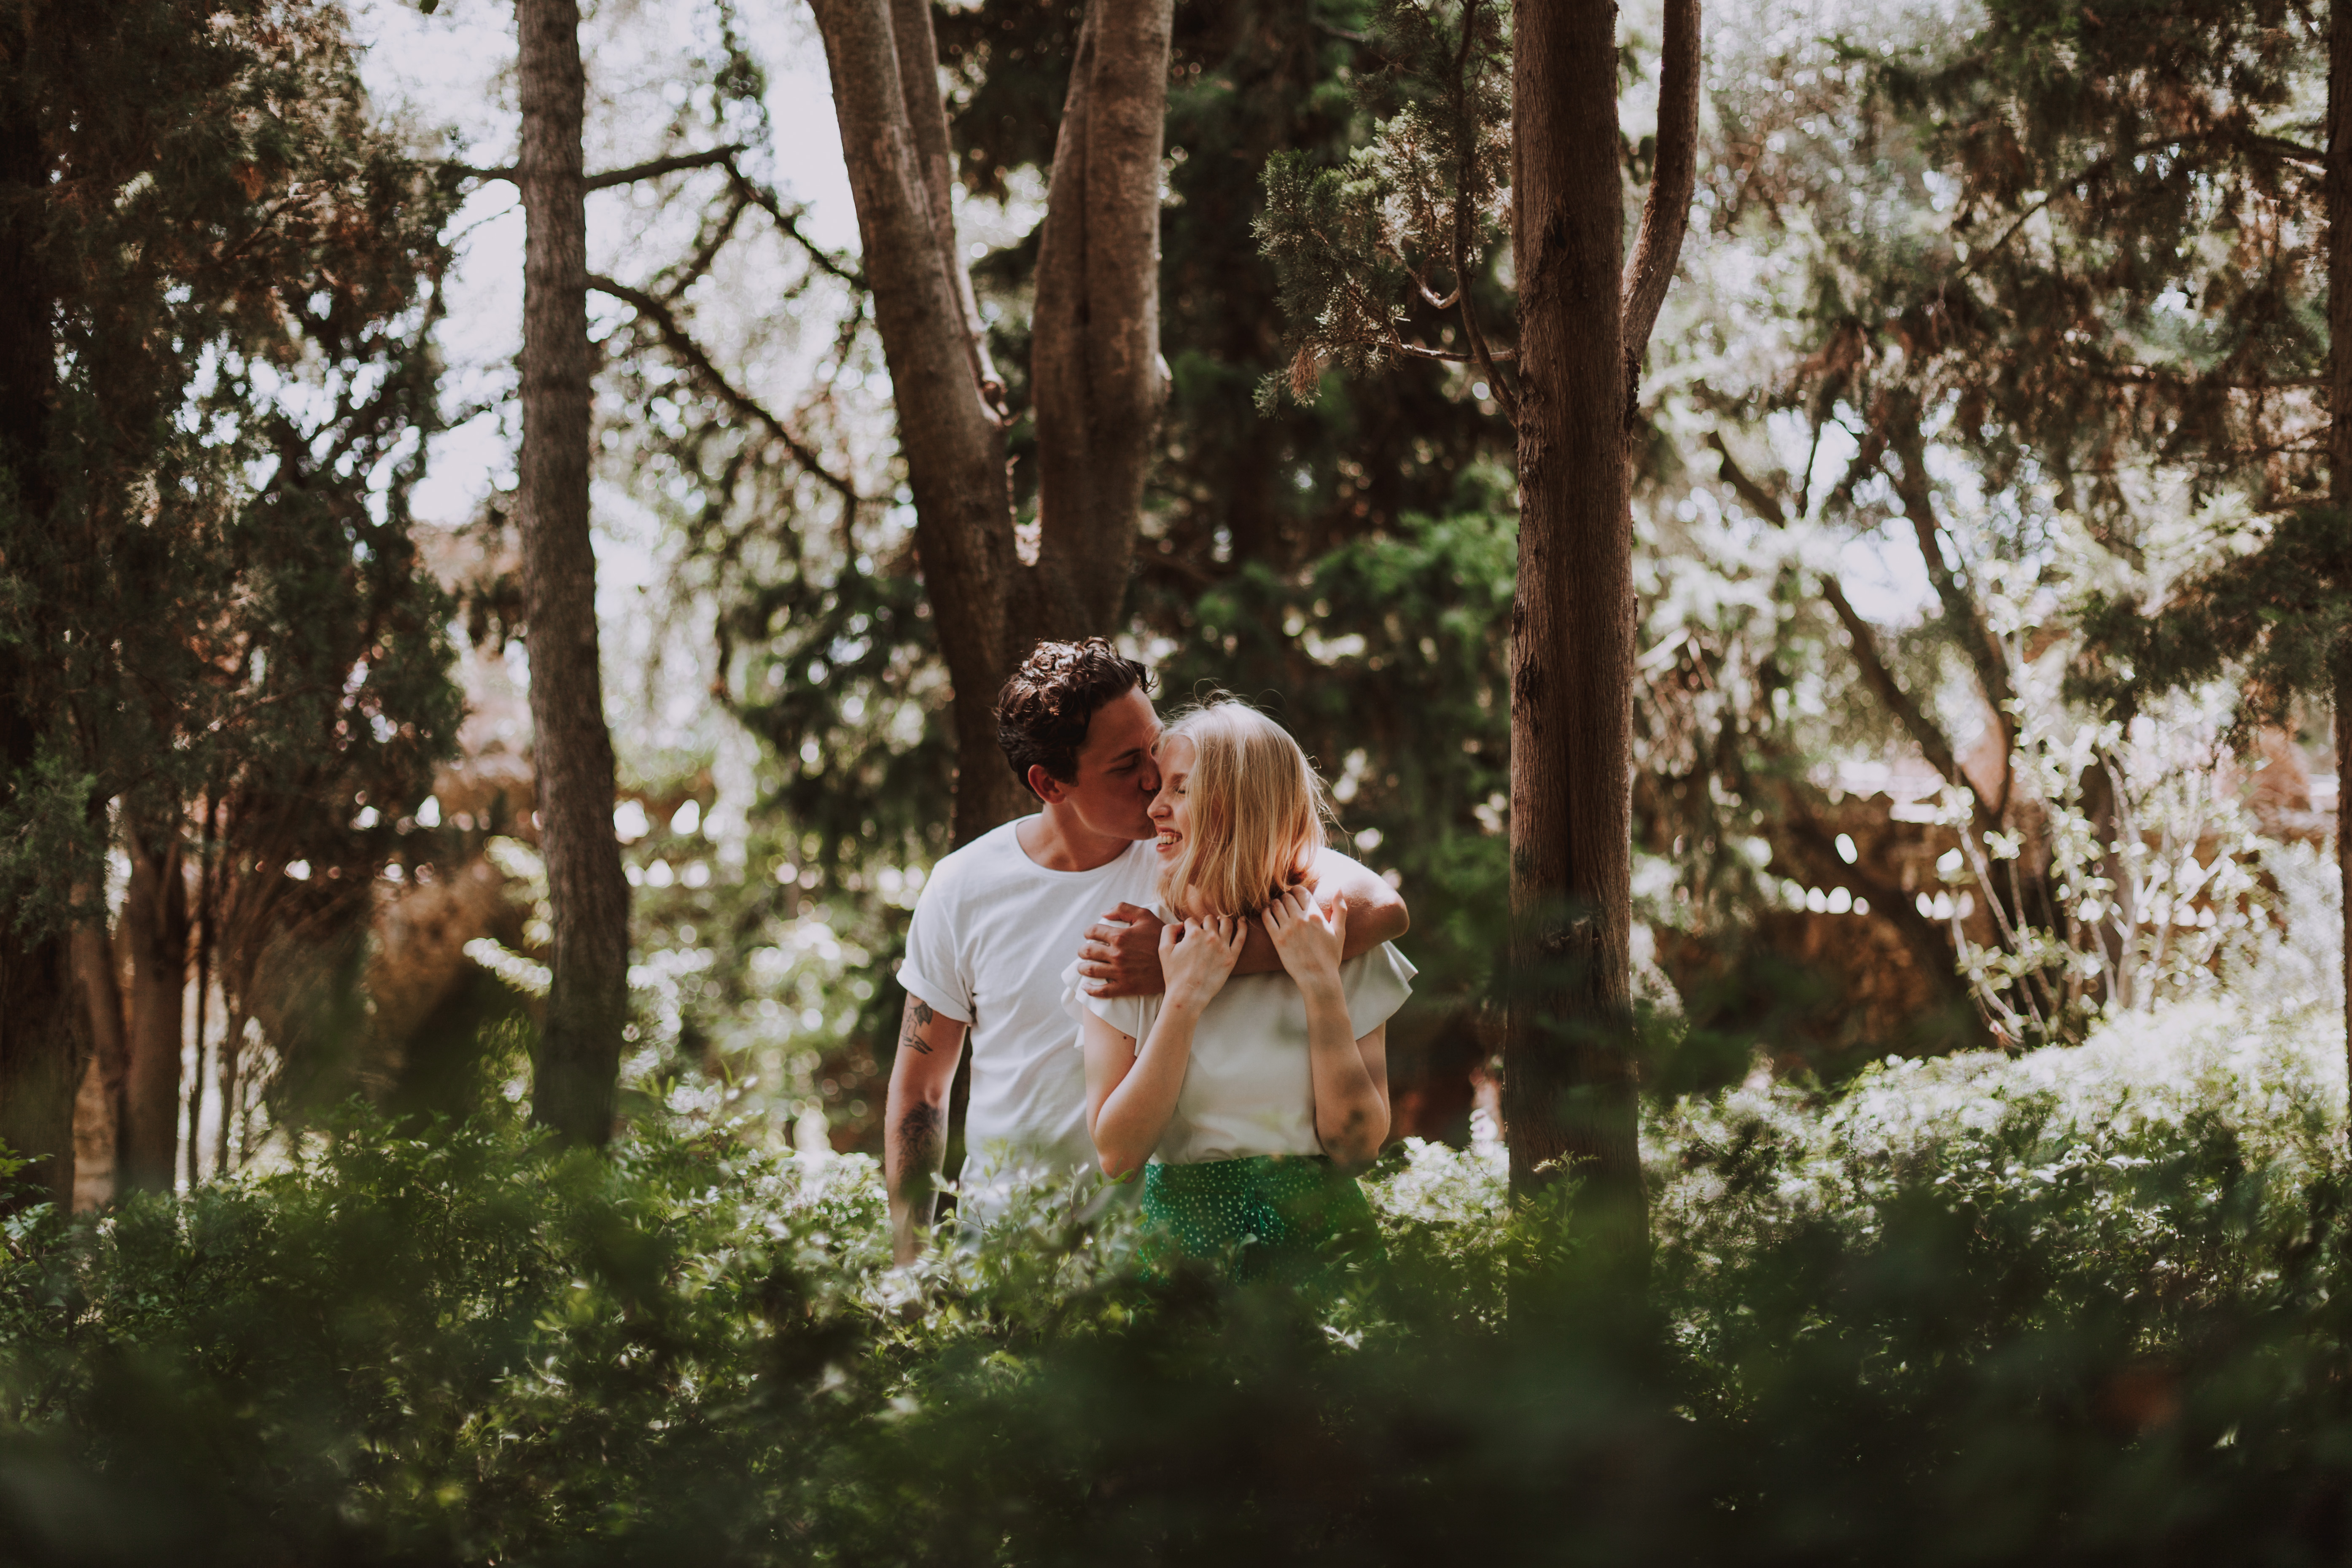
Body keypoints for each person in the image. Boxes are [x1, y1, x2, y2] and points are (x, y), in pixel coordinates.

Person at [885, 640, 1408, 1264]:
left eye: (1155, 747)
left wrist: (1199, 957)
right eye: (1125, 764)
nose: (1152, 780)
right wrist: (909, 1266)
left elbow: (1379, 909)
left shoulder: (1192, 852)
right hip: (1010, 1239)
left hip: (1150, 1245)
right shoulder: (964, 885)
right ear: (1050, 784)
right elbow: (921, 1092)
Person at [1072, 699, 1414, 1284]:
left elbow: (1356, 1148)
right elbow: (1117, 1157)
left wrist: (1320, 986)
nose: (1154, 808)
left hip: (1327, 1262)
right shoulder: (1132, 953)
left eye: (1180, 790)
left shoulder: (1340, 942)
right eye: (1160, 789)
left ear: (1242, 802)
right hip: (1183, 1265)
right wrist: (1181, 1000)